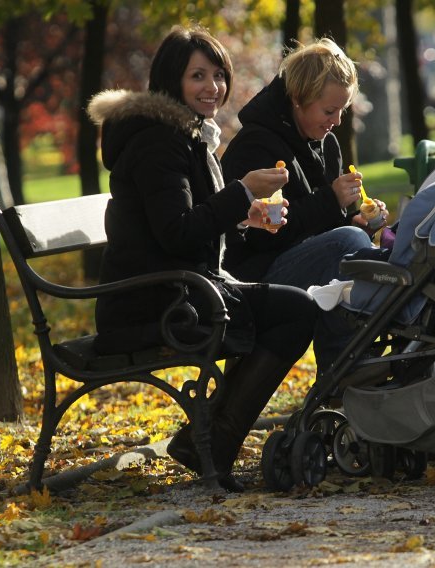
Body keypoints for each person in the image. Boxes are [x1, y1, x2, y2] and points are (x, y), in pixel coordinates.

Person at [87, 25, 318, 492]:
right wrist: (242, 192)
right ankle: (213, 439)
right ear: (172, 81)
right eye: (198, 76)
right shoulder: (159, 141)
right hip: (155, 304)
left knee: (295, 308)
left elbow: (186, 223)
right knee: (295, 312)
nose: (212, 88)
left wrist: (247, 216)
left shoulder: (185, 134)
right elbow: (177, 233)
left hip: (185, 289)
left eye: (218, 75)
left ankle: (207, 438)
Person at [221, 38, 387, 373]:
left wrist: (357, 221)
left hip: (288, 265)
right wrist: (331, 201)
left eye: (343, 110)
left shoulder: (325, 144)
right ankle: (345, 369)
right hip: (250, 277)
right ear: (298, 100)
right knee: (349, 245)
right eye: (329, 111)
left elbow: (321, 231)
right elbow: (263, 234)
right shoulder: (257, 145)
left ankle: (352, 365)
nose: (337, 121)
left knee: (357, 244)